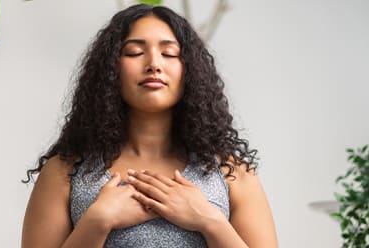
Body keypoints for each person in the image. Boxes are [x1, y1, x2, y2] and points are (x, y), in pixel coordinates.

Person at [21, 4, 278, 248]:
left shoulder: (231, 172)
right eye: (134, 52)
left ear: (190, 70)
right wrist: (97, 221)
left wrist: (209, 220)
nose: (154, 64)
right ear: (110, 69)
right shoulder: (64, 171)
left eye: (169, 53)